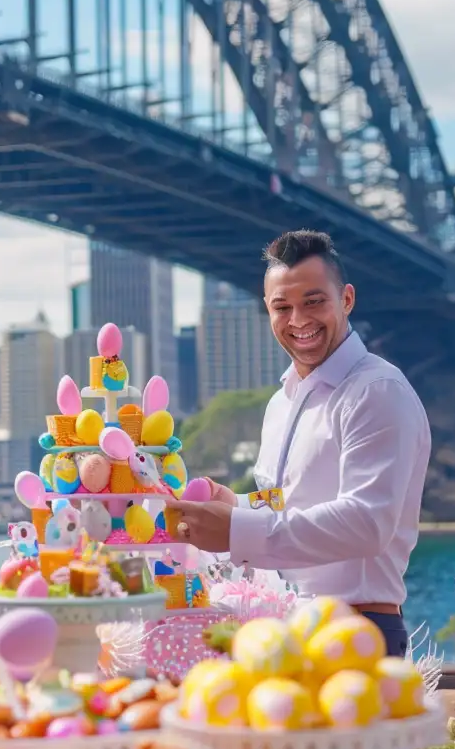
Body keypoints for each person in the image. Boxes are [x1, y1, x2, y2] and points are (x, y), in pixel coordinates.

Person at [166, 231, 431, 655]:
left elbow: (368, 522)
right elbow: (288, 502)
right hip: (284, 629)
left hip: (357, 630)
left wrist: (236, 531)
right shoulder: (281, 402)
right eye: (281, 307)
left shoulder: (377, 390)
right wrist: (234, 505)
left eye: (313, 302)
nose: (298, 320)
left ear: (346, 299)